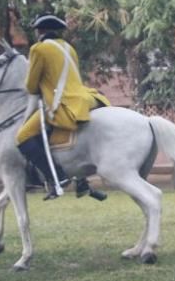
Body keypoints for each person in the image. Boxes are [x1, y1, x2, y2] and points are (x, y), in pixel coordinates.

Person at [16, 14, 110, 200]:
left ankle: (56, 178)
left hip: (61, 103)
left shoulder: (38, 49)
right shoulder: (69, 48)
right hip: (84, 99)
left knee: (23, 136)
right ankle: (82, 182)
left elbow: (31, 86)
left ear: (40, 32)